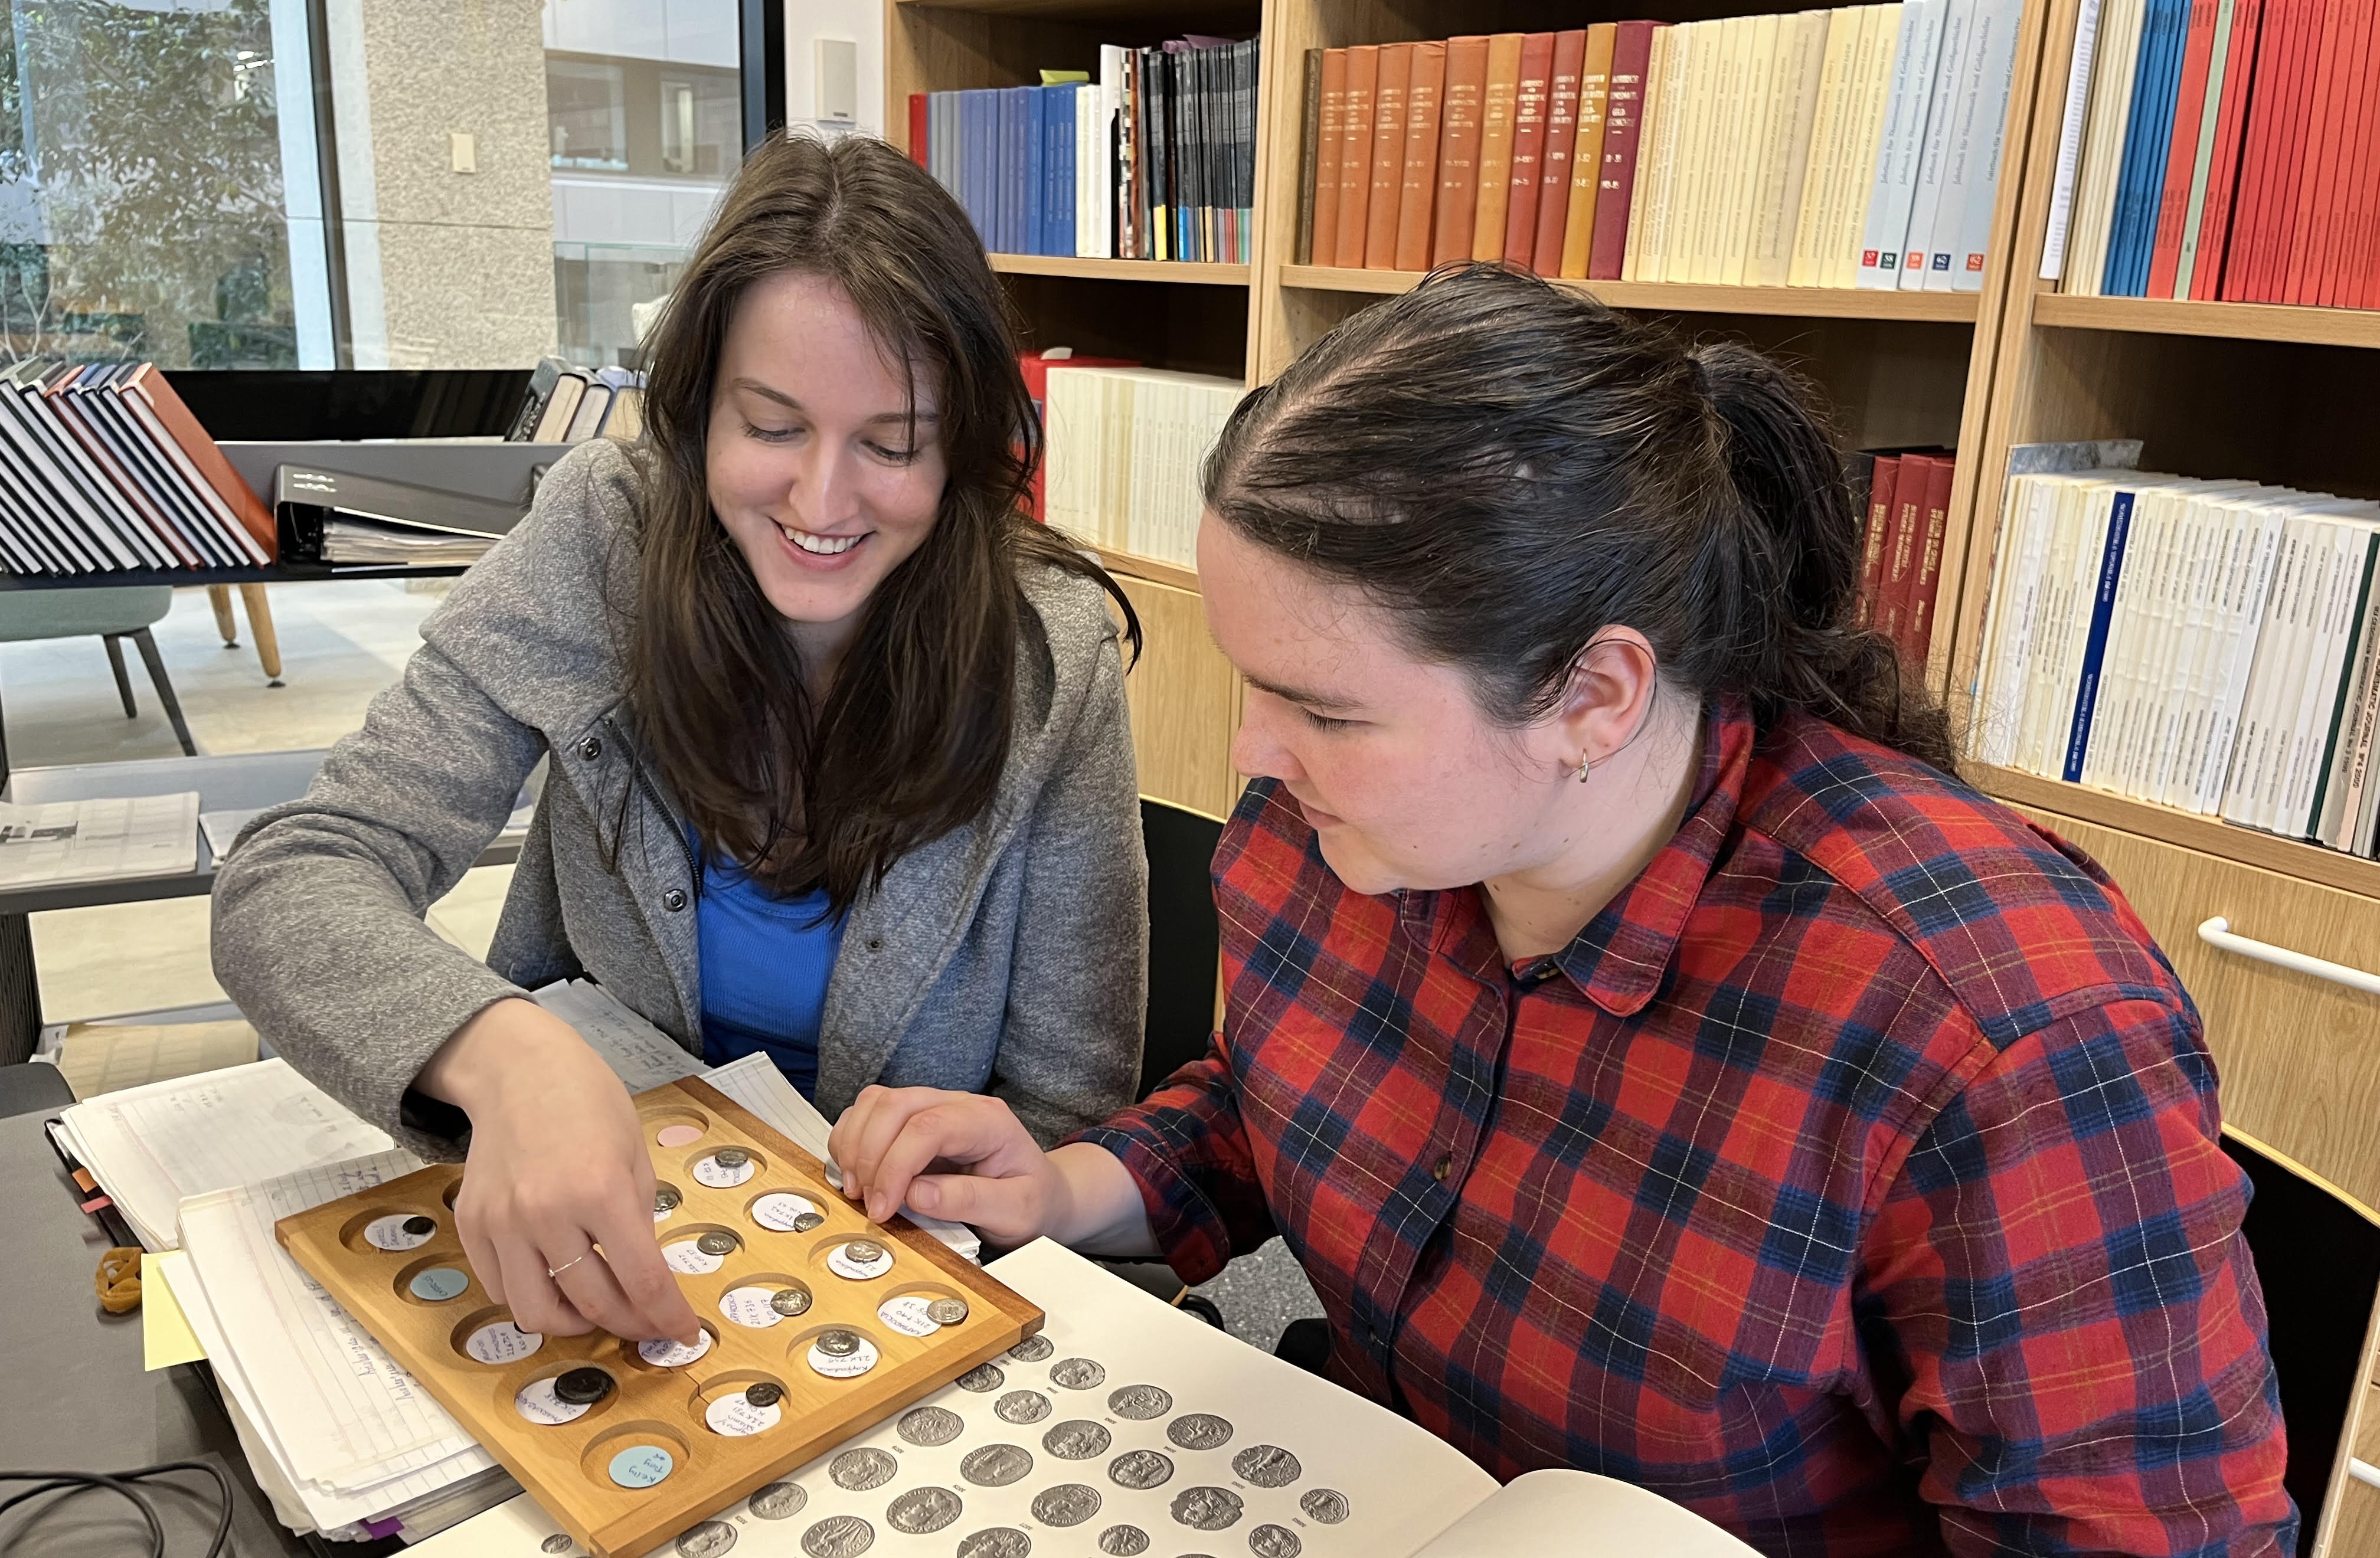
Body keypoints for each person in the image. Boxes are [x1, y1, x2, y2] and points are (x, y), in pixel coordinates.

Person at [831, 265, 2293, 1555]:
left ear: (1594, 695)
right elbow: (1285, 1097)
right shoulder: (1338, 837)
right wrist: (1067, 1185)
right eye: (1253, 681)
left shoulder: (1998, 1028)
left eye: (1322, 709)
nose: (1250, 758)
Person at [211, 132, 1147, 1349]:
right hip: (614, 1251)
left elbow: (1072, 1120)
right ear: (698, 410)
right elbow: (294, 878)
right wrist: (502, 1055)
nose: (822, 503)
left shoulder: (1048, 654)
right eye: (772, 428)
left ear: (962, 446)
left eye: (892, 444)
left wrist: (990, 1175)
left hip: (882, 1293)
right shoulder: (601, 541)